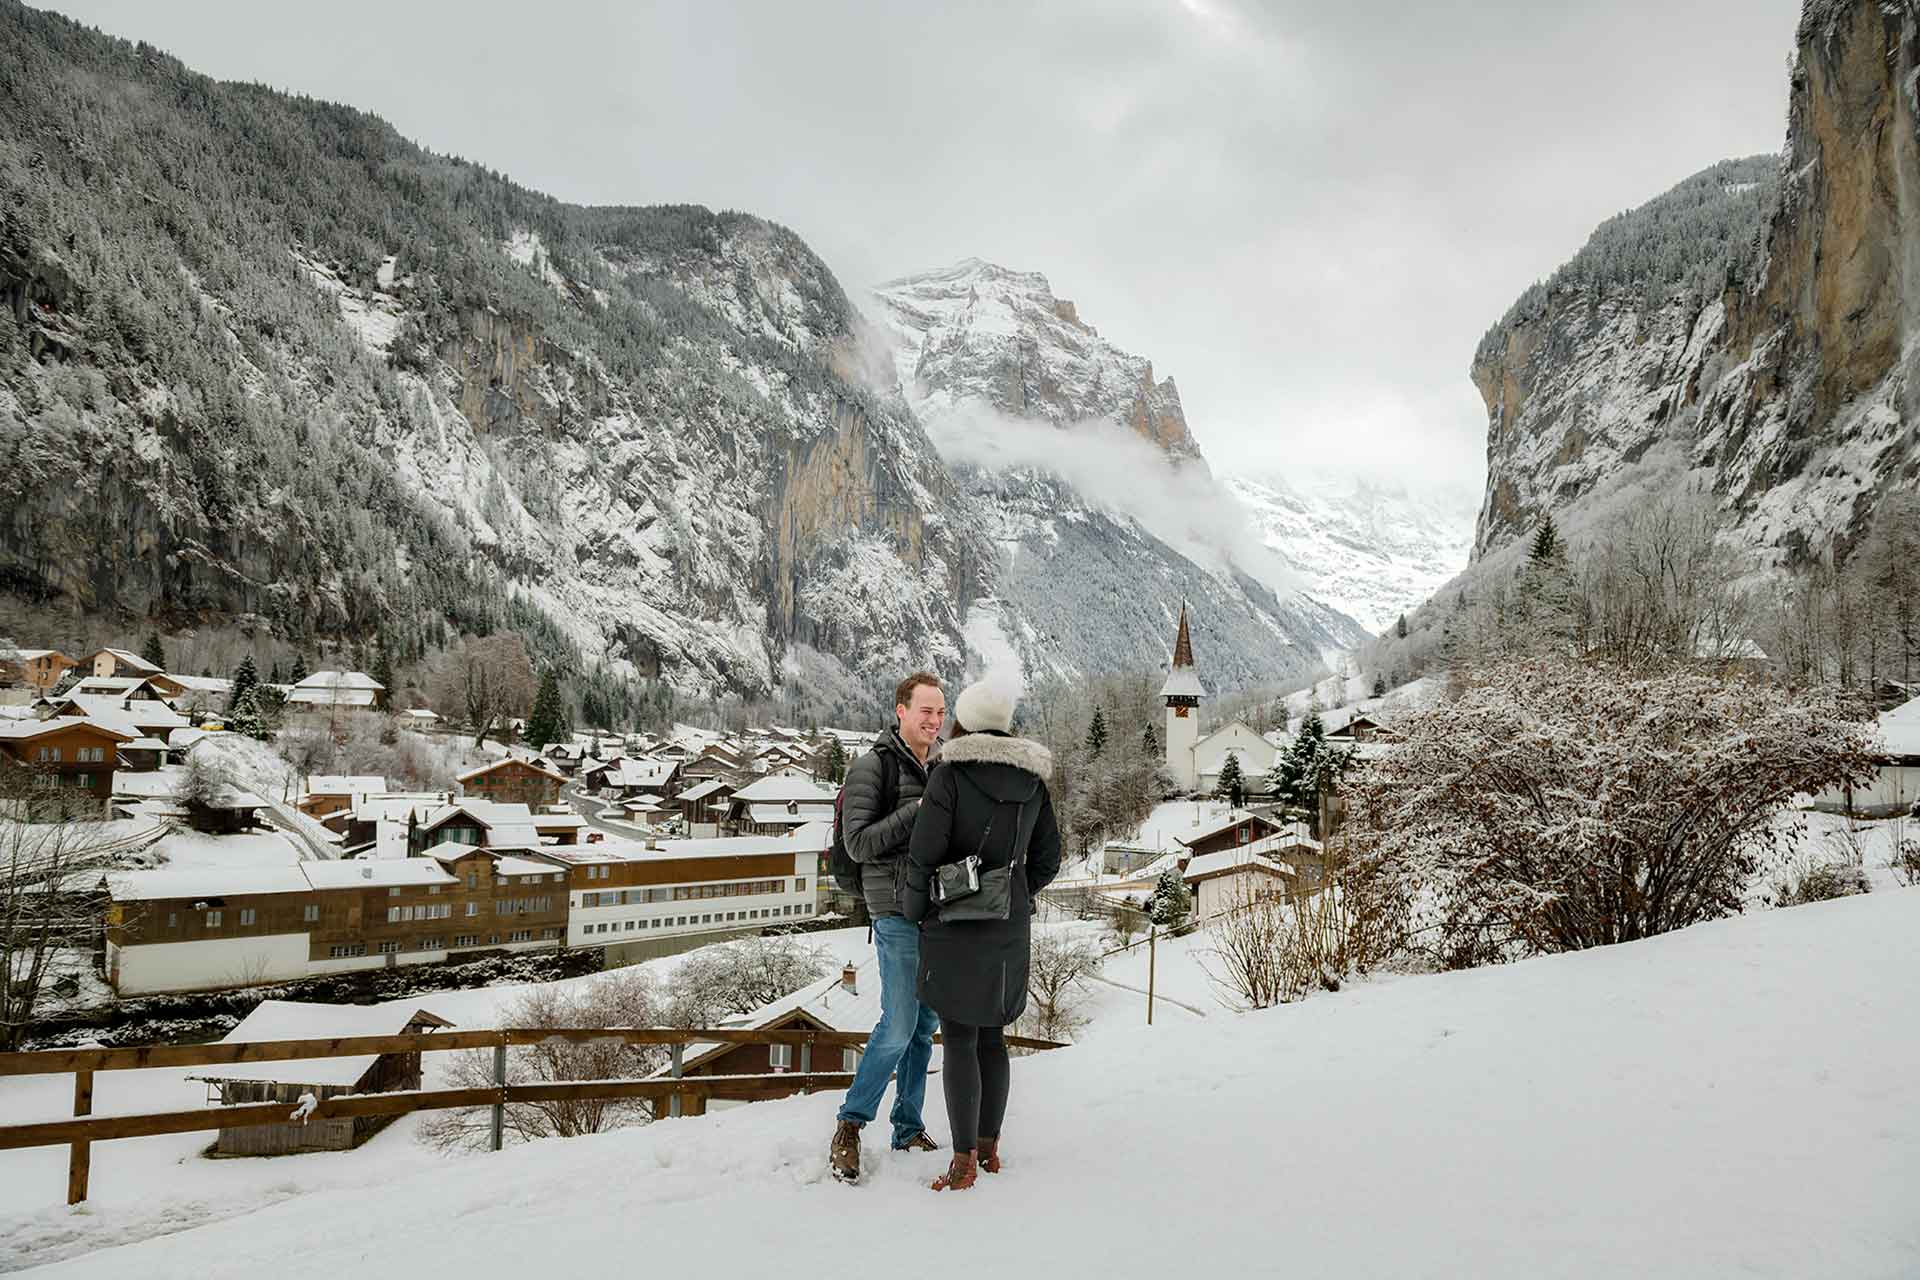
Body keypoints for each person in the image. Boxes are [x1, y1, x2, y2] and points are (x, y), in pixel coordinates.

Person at [903, 678, 1061, 1192]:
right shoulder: (1033, 781)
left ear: (963, 723)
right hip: (1008, 926)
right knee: (993, 1035)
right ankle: (990, 1148)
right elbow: (1047, 859)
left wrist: (916, 909)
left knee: (960, 1039)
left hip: (953, 922)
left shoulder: (948, 776)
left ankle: (963, 1160)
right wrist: (1012, 890)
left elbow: (924, 853)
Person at [827, 671, 947, 1183]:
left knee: (924, 1027)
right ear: (901, 710)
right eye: (926, 711)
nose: (935, 721)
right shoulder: (870, 767)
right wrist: (917, 812)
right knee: (898, 1024)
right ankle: (849, 1127)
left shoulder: (941, 766)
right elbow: (857, 844)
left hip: (937, 912)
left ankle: (907, 1126)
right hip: (894, 911)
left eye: (941, 713)